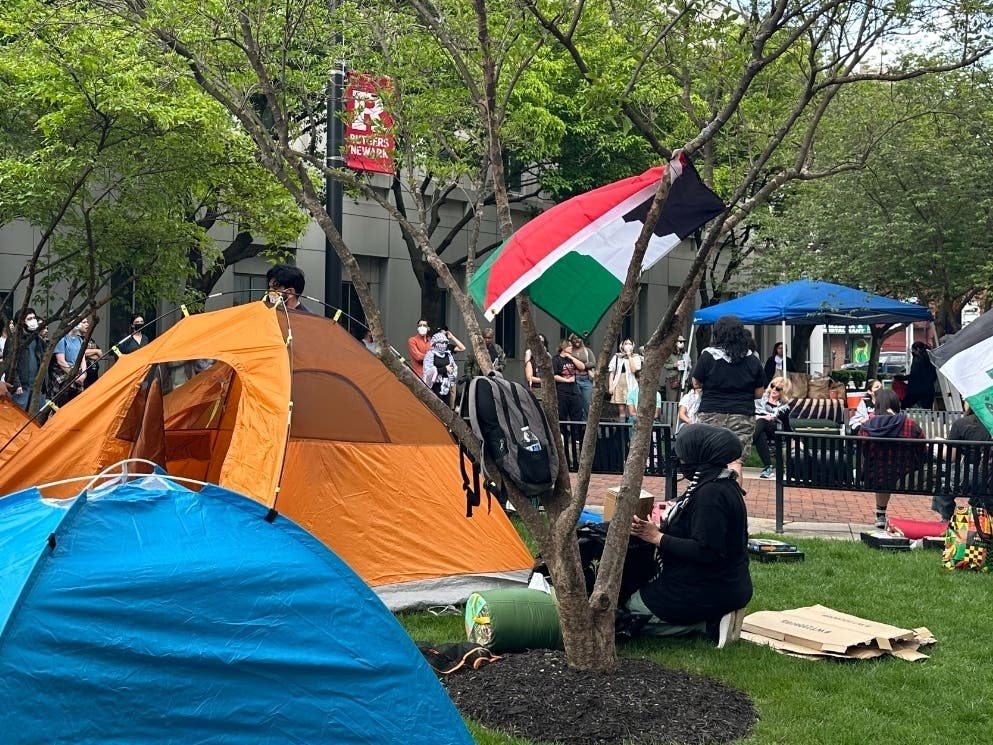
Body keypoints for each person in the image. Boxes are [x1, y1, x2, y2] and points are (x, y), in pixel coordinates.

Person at [624, 423, 752, 647]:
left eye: (685, 456)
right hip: (718, 582)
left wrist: (657, 538)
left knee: (629, 612)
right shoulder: (715, 482)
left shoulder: (711, 494)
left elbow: (707, 551)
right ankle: (709, 617)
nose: (681, 462)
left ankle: (708, 623)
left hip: (708, 586)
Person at [691, 315, 767, 478]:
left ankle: (708, 499)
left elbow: (696, 382)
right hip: (742, 414)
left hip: (711, 413)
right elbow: (759, 393)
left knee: (709, 458)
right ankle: (734, 501)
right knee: (735, 461)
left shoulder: (708, 356)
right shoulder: (752, 359)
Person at [858, 389, 925, 529]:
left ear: (878, 405)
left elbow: (862, 450)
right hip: (907, 477)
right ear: (896, 404)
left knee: (881, 470)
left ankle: (880, 514)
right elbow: (922, 451)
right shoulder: (910, 425)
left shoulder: (867, 426)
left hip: (875, 477)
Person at [932, 401, 992, 521]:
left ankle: (946, 518)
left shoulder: (962, 424)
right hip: (990, 476)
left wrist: (937, 449)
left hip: (970, 473)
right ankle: (981, 508)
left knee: (942, 480)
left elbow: (950, 457)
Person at [753, 376, 793, 479]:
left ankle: (747, 441)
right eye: (773, 386)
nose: (774, 389)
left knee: (762, 421)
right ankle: (768, 467)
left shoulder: (784, 407)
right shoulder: (760, 399)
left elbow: (782, 422)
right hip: (760, 430)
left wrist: (793, 438)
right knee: (760, 435)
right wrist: (763, 416)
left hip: (776, 431)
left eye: (778, 388)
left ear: (783, 392)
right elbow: (751, 414)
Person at [9, 308, 47, 412]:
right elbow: (10, 364)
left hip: (37, 388)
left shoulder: (38, 340)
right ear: (21, 322)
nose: (33, 321)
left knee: (36, 420)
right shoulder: (14, 340)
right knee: (18, 418)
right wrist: (16, 384)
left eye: (34, 318)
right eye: (29, 318)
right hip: (22, 388)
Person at [608, 339, 642, 421]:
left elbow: (634, 370)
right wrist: (611, 386)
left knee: (630, 409)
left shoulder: (636, 357)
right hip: (619, 384)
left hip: (631, 385)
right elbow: (612, 372)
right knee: (621, 410)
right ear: (622, 345)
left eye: (630, 344)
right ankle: (622, 428)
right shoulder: (617, 357)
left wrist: (629, 355)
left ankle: (630, 428)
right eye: (626, 344)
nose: (627, 345)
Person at [897, 341, 938, 409]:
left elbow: (914, 375)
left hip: (916, 389)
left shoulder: (918, 358)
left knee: (904, 406)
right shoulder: (931, 357)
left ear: (918, 349)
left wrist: (902, 378)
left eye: (913, 350)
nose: (912, 352)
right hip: (929, 389)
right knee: (928, 410)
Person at [552, 339, 585, 422]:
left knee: (577, 414)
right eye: (569, 346)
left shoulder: (571, 358)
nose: (571, 347)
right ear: (563, 347)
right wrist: (566, 380)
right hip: (562, 390)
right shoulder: (556, 359)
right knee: (562, 414)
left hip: (573, 390)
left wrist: (571, 357)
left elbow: (582, 367)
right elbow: (554, 375)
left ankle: (576, 433)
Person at [422, 331, 458, 406]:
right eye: (442, 343)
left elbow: (453, 368)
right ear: (435, 343)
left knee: (446, 406)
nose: (444, 345)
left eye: (445, 343)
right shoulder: (430, 355)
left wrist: (452, 373)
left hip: (446, 386)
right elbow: (428, 371)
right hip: (435, 386)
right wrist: (444, 369)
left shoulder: (448, 354)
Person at [569, 333, 596, 419]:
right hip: (573, 379)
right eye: (574, 338)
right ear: (571, 340)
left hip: (586, 379)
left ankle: (586, 426)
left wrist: (582, 366)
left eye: (579, 338)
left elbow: (593, 363)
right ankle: (577, 426)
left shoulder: (587, 351)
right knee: (576, 403)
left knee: (587, 403)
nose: (577, 340)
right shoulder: (569, 350)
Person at [662, 335, 689, 403]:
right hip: (672, 380)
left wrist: (686, 365)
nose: (682, 343)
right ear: (675, 343)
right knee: (672, 401)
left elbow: (689, 365)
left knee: (682, 401)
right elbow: (664, 365)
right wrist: (673, 365)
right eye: (680, 341)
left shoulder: (684, 353)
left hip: (682, 380)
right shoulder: (669, 354)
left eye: (683, 342)